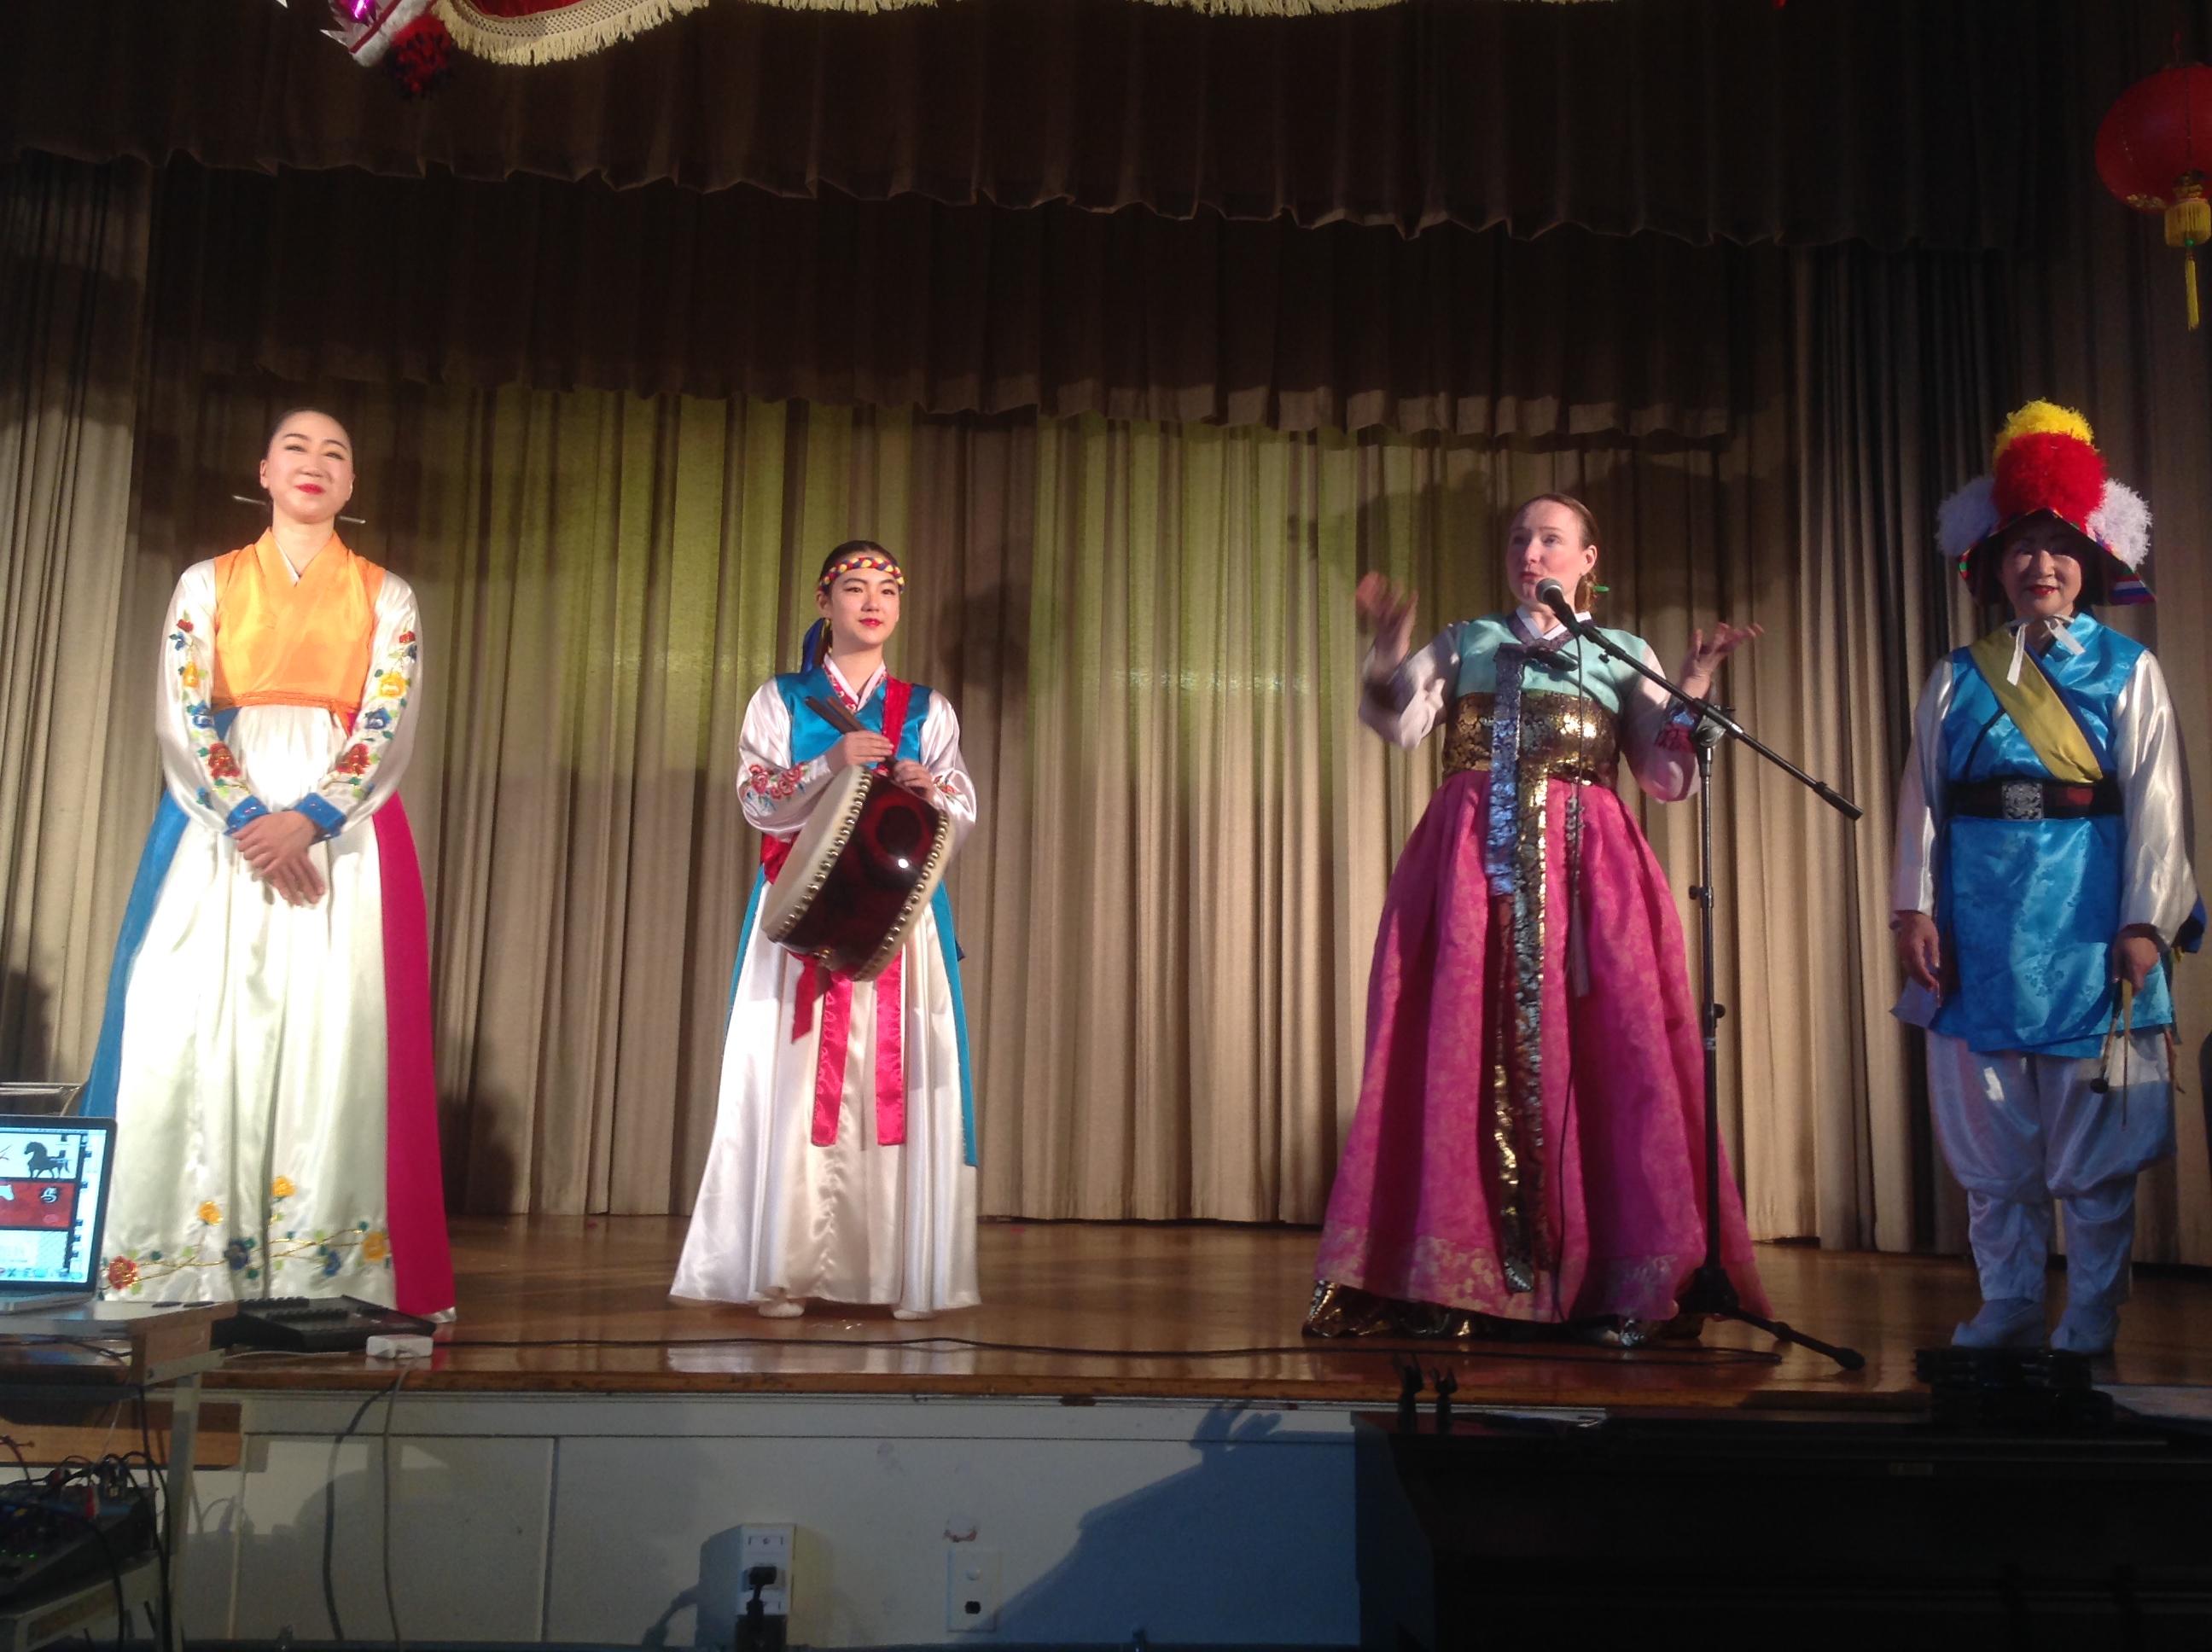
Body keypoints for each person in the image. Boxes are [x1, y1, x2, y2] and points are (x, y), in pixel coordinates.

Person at [1307, 494, 1768, 1338]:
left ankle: (1603, 1272)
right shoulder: (1470, 640)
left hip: (1587, 877)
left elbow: (1665, 779)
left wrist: (1695, 685)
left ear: (1588, 560)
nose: (1530, 552)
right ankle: (1460, 1270)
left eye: (1551, 539)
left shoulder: (1623, 653)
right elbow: (1397, 722)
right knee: (1458, 1048)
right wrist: (1391, 644)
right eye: (1520, 538)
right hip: (1471, 872)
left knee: (1603, 1050)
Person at [86, 409, 453, 1316]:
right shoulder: (206, 583)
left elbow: (388, 714)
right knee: (191, 1020)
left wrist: (313, 817)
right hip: (217, 824)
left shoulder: (386, 595)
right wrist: (251, 816)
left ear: (353, 483)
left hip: (344, 837)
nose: (314, 462)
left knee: (334, 1029)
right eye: (297, 446)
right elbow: (182, 710)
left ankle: (317, 1268)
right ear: (263, 470)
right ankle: (183, 1261)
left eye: (336, 452)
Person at [1895, 401, 2201, 1355]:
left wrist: (2145, 921)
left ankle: (2094, 1309)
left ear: (2091, 564)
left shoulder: (2128, 670)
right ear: (1994, 566)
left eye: (2061, 547)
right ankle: (2012, 1302)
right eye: (2023, 547)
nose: (2042, 564)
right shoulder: (1957, 675)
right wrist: (1913, 906)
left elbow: (2158, 802)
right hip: (1979, 927)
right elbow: (1924, 799)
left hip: (2086, 922)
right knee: (1994, 1145)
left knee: (2094, 1146)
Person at [674, 541, 980, 1319]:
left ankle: (898, 1272)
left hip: (899, 918)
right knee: (791, 1073)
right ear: (825, 601)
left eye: (886, 590)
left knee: (896, 1075)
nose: (872, 602)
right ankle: (784, 1265)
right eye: (855, 588)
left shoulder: (927, 708)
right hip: (804, 912)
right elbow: (756, 795)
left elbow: (960, 806)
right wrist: (831, 762)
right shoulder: (782, 699)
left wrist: (928, 787)